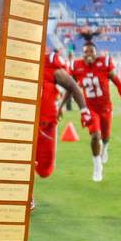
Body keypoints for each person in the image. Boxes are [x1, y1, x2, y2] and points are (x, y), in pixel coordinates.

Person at [70, 41, 121, 182]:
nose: (89, 54)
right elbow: (70, 86)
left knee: (106, 136)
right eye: (86, 52)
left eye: (91, 51)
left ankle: (105, 147)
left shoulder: (104, 63)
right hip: (89, 108)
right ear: (82, 53)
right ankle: (97, 166)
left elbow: (118, 83)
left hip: (105, 107)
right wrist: (60, 104)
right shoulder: (76, 66)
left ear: (96, 53)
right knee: (96, 136)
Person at [35, 49, 88, 181]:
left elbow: (73, 86)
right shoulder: (15, 62)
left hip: (44, 125)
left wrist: (84, 111)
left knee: (44, 170)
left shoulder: (49, 62)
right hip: (19, 121)